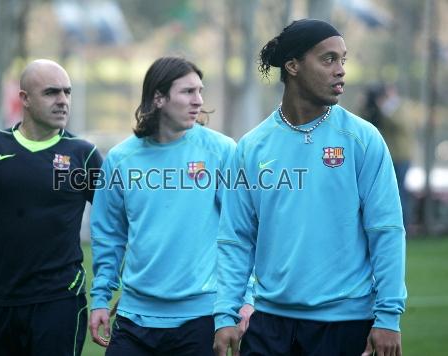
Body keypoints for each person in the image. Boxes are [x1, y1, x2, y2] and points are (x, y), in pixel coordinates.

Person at [213, 19, 407, 356]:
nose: (341, 71)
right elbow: (237, 237)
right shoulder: (251, 147)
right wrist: (225, 313)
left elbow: (386, 231)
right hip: (268, 324)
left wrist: (388, 316)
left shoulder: (363, 139)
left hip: (345, 326)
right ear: (293, 66)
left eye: (343, 60)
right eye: (328, 59)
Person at [88, 56, 251, 355]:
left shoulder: (222, 151)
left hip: (202, 318)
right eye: (188, 92)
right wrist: (100, 297)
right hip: (134, 319)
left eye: (200, 91)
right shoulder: (120, 159)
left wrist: (246, 296)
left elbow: (242, 231)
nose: (198, 101)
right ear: (159, 98)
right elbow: (109, 236)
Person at [0, 59, 103, 355]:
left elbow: (118, 221)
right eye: (51, 93)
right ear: (24, 99)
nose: (63, 101)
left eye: (67, 92)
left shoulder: (83, 154)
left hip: (61, 301)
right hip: (1, 302)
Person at [360, 83, 412, 228]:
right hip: (386, 156)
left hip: (400, 156)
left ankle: (404, 225)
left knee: (399, 192)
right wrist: (367, 105)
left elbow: (400, 125)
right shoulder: (378, 108)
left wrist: (384, 107)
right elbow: (367, 123)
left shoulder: (400, 107)